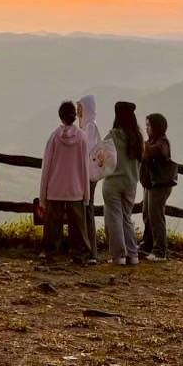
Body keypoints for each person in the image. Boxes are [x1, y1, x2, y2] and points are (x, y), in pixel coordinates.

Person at [38, 101, 92, 263]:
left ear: (60, 116)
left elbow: (46, 167)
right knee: (78, 226)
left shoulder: (54, 137)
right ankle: (80, 254)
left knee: (53, 225)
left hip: (55, 188)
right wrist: (86, 194)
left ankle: (49, 252)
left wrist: (42, 196)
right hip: (75, 189)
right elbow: (85, 167)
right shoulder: (82, 137)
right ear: (74, 117)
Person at [102, 101, 144, 266]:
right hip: (130, 182)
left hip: (113, 182)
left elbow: (101, 155)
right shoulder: (137, 137)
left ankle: (118, 256)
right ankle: (133, 255)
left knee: (114, 218)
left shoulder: (112, 136)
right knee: (126, 217)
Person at [140, 113, 178, 262]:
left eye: (149, 125)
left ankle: (160, 251)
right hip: (151, 183)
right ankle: (148, 245)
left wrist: (140, 144)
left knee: (156, 216)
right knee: (147, 215)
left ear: (156, 127)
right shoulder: (152, 141)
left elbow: (155, 151)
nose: (147, 128)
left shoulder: (162, 142)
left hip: (160, 184)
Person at [77, 95, 102, 264]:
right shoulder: (86, 125)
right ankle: (88, 250)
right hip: (85, 175)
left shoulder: (90, 126)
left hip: (88, 175)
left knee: (87, 210)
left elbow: (87, 152)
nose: (78, 110)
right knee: (86, 209)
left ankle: (91, 252)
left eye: (80, 107)